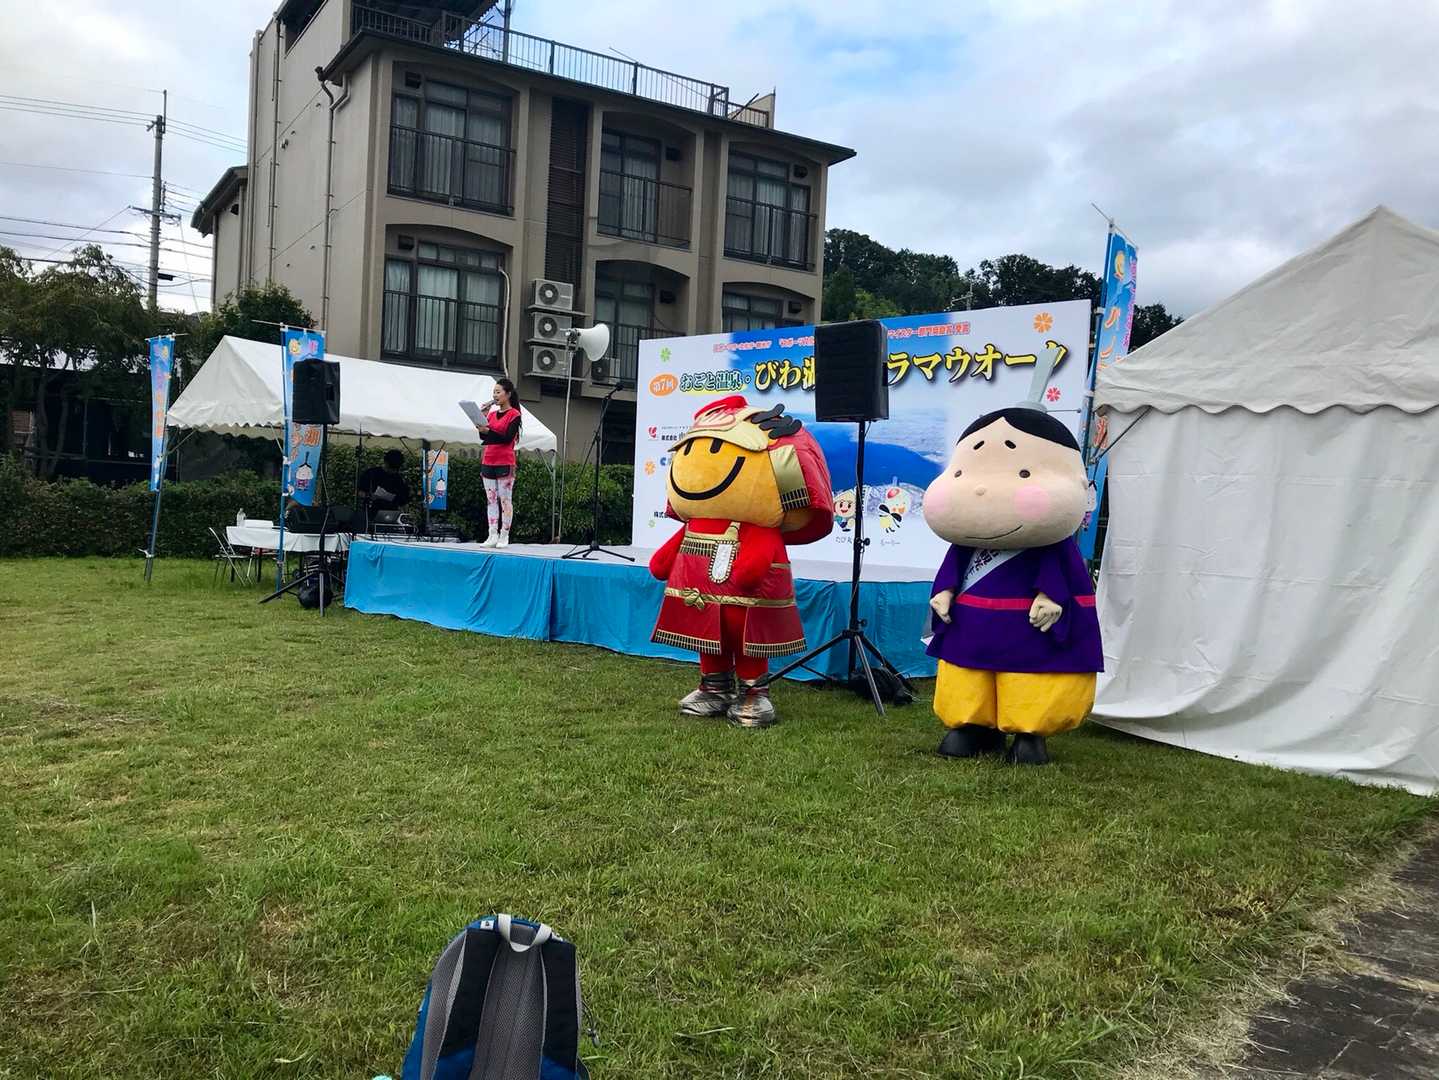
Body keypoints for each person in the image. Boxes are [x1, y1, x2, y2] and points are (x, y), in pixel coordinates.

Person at [648, 396, 834, 728]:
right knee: (706, 640)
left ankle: (753, 692)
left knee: (748, 642)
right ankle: (713, 686)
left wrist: (747, 569)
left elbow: (754, 567)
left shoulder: (758, 528)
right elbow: (661, 564)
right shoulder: (695, 523)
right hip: (701, 601)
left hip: (744, 602)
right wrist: (662, 564)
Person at [475, 377, 522, 548]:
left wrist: (488, 430)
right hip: (488, 460)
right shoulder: (492, 414)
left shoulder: (514, 415)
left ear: (508, 394)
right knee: (491, 500)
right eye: (493, 392)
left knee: (505, 500)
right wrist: (482, 419)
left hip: (505, 462)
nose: (495, 395)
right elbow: (483, 436)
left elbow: (507, 438)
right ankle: (492, 534)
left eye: (498, 392)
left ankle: (504, 535)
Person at [359, 449, 411, 523]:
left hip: (391, 516)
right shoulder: (371, 474)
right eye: (391, 468)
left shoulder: (399, 479)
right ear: (385, 463)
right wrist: (369, 495)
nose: (393, 471)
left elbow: (403, 500)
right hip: (371, 514)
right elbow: (360, 492)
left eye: (395, 469)